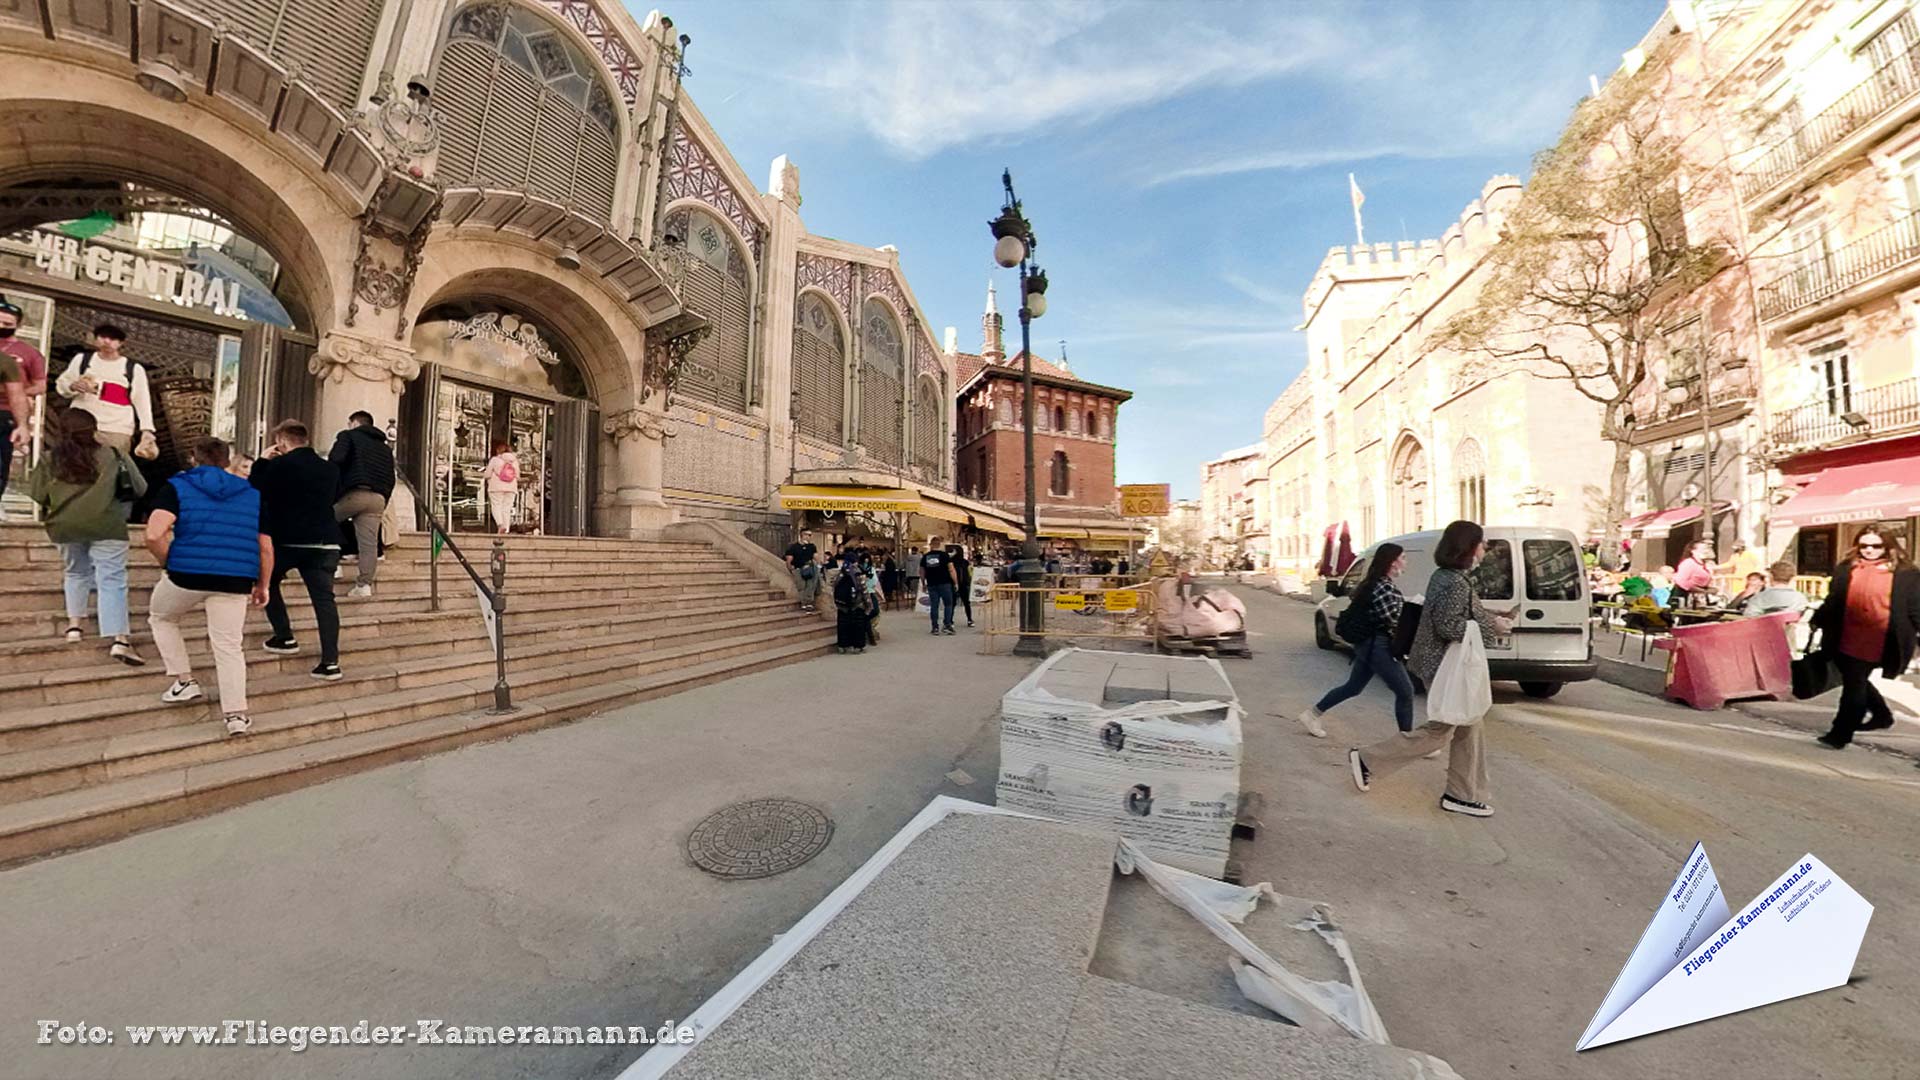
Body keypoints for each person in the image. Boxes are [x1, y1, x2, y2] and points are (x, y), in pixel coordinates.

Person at [1348, 520, 1516, 818]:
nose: (1485, 548)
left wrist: (1490, 616)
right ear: (1468, 547)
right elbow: (1449, 625)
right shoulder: (1453, 581)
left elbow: (1458, 614)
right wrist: (1495, 625)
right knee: (1440, 731)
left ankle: (1460, 794)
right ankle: (1368, 760)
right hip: (1444, 665)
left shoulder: (1449, 576)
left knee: (1468, 727)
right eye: (1481, 542)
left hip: (1439, 662)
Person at [145, 436, 271, 737]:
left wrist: (168, 561)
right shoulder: (253, 494)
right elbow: (265, 547)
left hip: (186, 574)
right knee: (228, 645)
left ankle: (185, 682)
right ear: (227, 461)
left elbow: (153, 534)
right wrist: (263, 584)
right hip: (236, 578)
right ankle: (236, 716)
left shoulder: (177, 486)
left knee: (161, 617)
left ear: (193, 458)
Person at [29, 409, 145, 665]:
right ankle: (119, 640)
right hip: (107, 525)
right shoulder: (114, 455)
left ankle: (74, 627)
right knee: (111, 580)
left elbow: (37, 494)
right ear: (93, 429)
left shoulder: (50, 459)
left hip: (65, 527)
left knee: (75, 573)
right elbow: (139, 487)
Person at [251, 420, 344, 681]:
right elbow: (335, 496)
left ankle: (284, 636)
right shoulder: (330, 469)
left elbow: (255, 490)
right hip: (325, 541)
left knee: (266, 581)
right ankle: (330, 662)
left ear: (281, 441)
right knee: (324, 601)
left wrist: (262, 461)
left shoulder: (278, 465)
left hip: (288, 540)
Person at [1812, 532, 1920, 750]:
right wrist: (1818, 619)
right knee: (1854, 679)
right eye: (1864, 546)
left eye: (1876, 546)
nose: (1869, 550)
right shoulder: (1847, 568)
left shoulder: (1906, 574)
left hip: (1880, 637)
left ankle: (1840, 733)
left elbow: (1915, 608)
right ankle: (1881, 715)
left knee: (1854, 684)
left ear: (1888, 547)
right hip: (1845, 634)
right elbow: (1834, 599)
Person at [1297, 543, 1413, 738]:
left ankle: (1312, 714)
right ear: (1393, 563)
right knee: (1405, 691)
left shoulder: (1374, 583)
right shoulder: (1383, 587)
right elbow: (1392, 620)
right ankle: (1409, 740)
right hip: (1378, 645)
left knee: (1353, 687)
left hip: (1367, 644)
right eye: (1403, 558)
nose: (1405, 562)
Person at [54, 324, 154, 457]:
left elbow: (141, 400)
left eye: (113, 338)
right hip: (80, 425)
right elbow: (62, 384)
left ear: (121, 343)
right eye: (103, 337)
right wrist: (72, 386)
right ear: (95, 339)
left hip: (116, 427)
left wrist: (147, 430)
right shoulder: (82, 360)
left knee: (110, 467)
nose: (107, 341)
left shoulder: (133, 368)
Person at [328, 410, 394, 598]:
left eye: (350, 424)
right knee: (369, 544)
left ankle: (334, 566)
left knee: (325, 520)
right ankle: (364, 585)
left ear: (354, 423)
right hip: (378, 498)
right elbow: (391, 477)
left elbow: (336, 459)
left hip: (354, 491)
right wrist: (384, 499)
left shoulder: (347, 436)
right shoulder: (385, 448)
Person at [0, 298, 45, 500]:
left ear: (18, 325)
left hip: (6, 411)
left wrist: (16, 392)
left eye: (7, 324)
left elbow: (41, 385)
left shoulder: (29, 353)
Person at [1743, 561, 1809, 618]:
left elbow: (1749, 618)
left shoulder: (1758, 598)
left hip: (1765, 631)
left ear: (1771, 576)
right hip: (1789, 632)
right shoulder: (1800, 599)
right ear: (1792, 578)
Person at [483, 439, 520, 534]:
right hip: (511, 488)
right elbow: (518, 476)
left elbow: (487, 474)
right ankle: (506, 530)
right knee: (507, 508)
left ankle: (500, 525)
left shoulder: (495, 460)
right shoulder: (514, 461)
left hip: (496, 487)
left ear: (498, 450)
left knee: (496, 505)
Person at [921, 541, 957, 635]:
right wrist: (955, 582)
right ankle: (947, 625)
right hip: (945, 583)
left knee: (934, 605)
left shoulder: (925, 556)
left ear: (931, 545)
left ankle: (935, 627)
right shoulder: (945, 555)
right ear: (940, 545)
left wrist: (923, 583)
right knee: (948, 604)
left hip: (932, 584)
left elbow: (921, 571)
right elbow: (951, 569)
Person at [832, 557, 867, 654]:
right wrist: (868, 604)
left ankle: (842, 645)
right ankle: (858, 646)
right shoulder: (857, 573)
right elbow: (864, 590)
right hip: (856, 603)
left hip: (842, 605)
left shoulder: (840, 573)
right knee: (858, 625)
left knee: (843, 625)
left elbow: (834, 587)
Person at [785, 529, 821, 612]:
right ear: (802, 535)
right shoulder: (793, 547)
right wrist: (791, 569)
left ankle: (809, 603)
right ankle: (803, 603)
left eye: (810, 535)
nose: (809, 537)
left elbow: (816, 556)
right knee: (801, 586)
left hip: (809, 568)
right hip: (798, 568)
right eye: (807, 534)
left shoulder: (812, 546)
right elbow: (789, 559)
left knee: (810, 585)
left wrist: (819, 565)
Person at [1671, 541, 1715, 606]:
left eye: (1707, 549)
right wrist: (1702, 591)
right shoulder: (1688, 563)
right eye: (1703, 549)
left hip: (1700, 597)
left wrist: (1710, 589)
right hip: (1685, 597)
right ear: (1693, 551)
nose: (1706, 551)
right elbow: (1681, 581)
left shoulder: (1705, 564)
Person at [951, 545, 975, 628]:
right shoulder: (965, 562)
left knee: (952, 603)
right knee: (966, 603)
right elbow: (969, 573)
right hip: (964, 584)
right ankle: (969, 620)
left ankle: (950, 621)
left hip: (954, 584)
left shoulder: (951, 561)